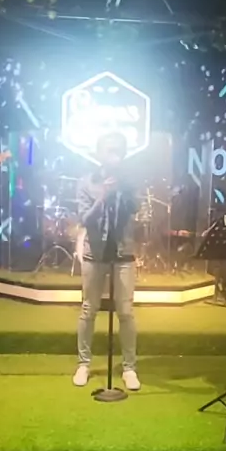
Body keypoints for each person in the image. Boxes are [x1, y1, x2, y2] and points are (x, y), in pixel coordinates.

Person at [73, 132, 140, 390]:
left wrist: (121, 189)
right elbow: (85, 219)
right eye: (110, 151)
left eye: (118, 151)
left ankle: (129, 368)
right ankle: (83, 364)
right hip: (95, 253)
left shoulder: (129, 181)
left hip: (123, 253)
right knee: (89, 309)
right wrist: (103, 196)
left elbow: (135, 207)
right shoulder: (86, 182)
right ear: (99, 154)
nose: (115, 156)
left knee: (125, 312)